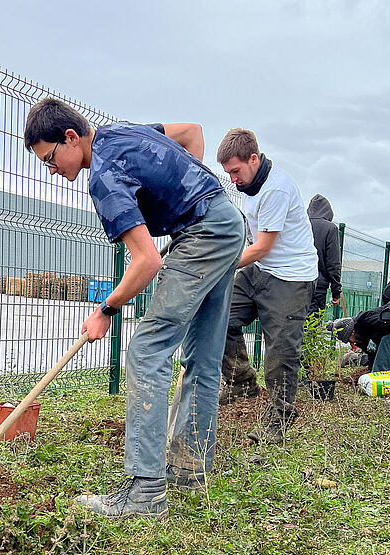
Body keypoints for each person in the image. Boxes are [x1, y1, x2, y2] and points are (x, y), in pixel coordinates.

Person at [24, 98, 245, 519]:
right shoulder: (123, 131)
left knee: (147, 351)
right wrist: (185, 197)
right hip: (227, 222)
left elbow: (147, 262)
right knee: (202, 355)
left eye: (50, 158)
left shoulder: (103, 178)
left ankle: (145, 493)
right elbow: (192, 132)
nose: (51, 170)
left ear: (71, 137)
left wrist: (105, 308)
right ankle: (189, 468)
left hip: (206, 232)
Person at [216, 128, 318, 443]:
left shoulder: (276, 190)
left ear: (254, 159)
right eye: (228, 173)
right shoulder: (252, 187)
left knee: (280, 352)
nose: (233, 179)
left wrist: (220, 267)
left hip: (291, 277)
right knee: (217, 316)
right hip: (260, 270)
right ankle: (241, 381)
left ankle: (280, 417)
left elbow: (262, 247)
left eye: (236, 171)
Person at [328, 302, 390, 372]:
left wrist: (376, 339)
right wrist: (371, 370)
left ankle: (380, 378)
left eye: (349, 340)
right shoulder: (362, 337)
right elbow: (373, 353)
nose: (351, 343)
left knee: (387, 341)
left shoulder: (367, 320)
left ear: (352, 332)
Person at [306, 194, 342, 314]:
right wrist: (336, 292)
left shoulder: (300, 224)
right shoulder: (330, 228)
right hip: (318, 285)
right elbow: (333, 263)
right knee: (312, 325)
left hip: (293, 283)